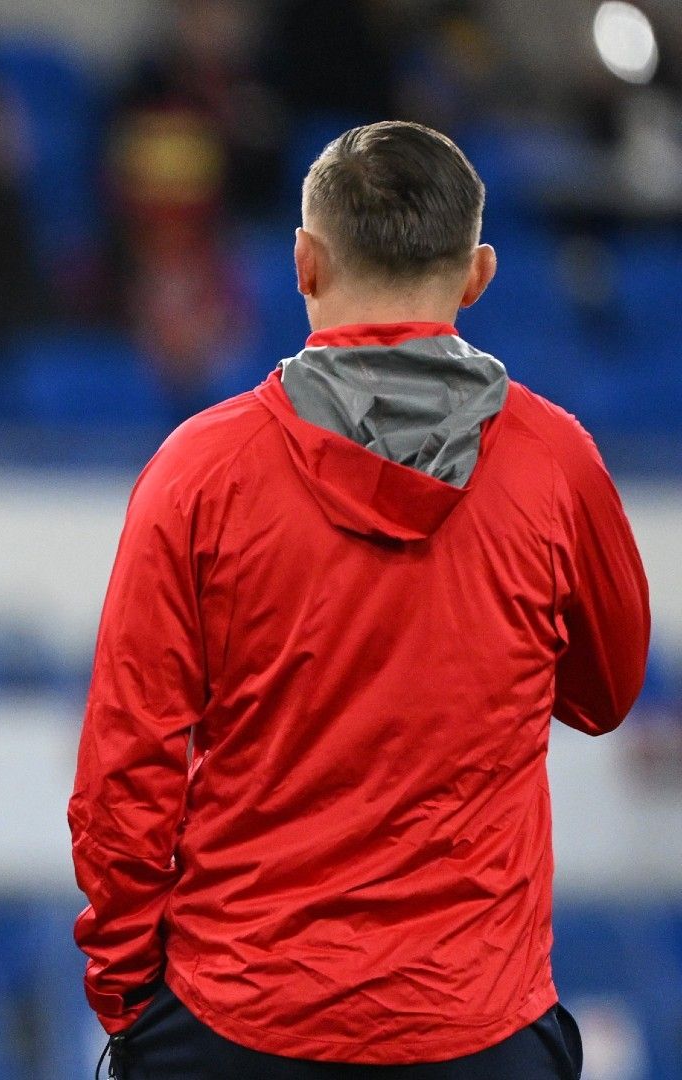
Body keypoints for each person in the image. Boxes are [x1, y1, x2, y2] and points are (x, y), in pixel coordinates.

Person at [69, 120, 649, 1079]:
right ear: (477, 276)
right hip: (481, 1024)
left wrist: (132, 999)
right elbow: (605, 692)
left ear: (303, 262)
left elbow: (124, 770)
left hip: (235, 1017)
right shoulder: (556, 464)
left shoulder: (198, 471)